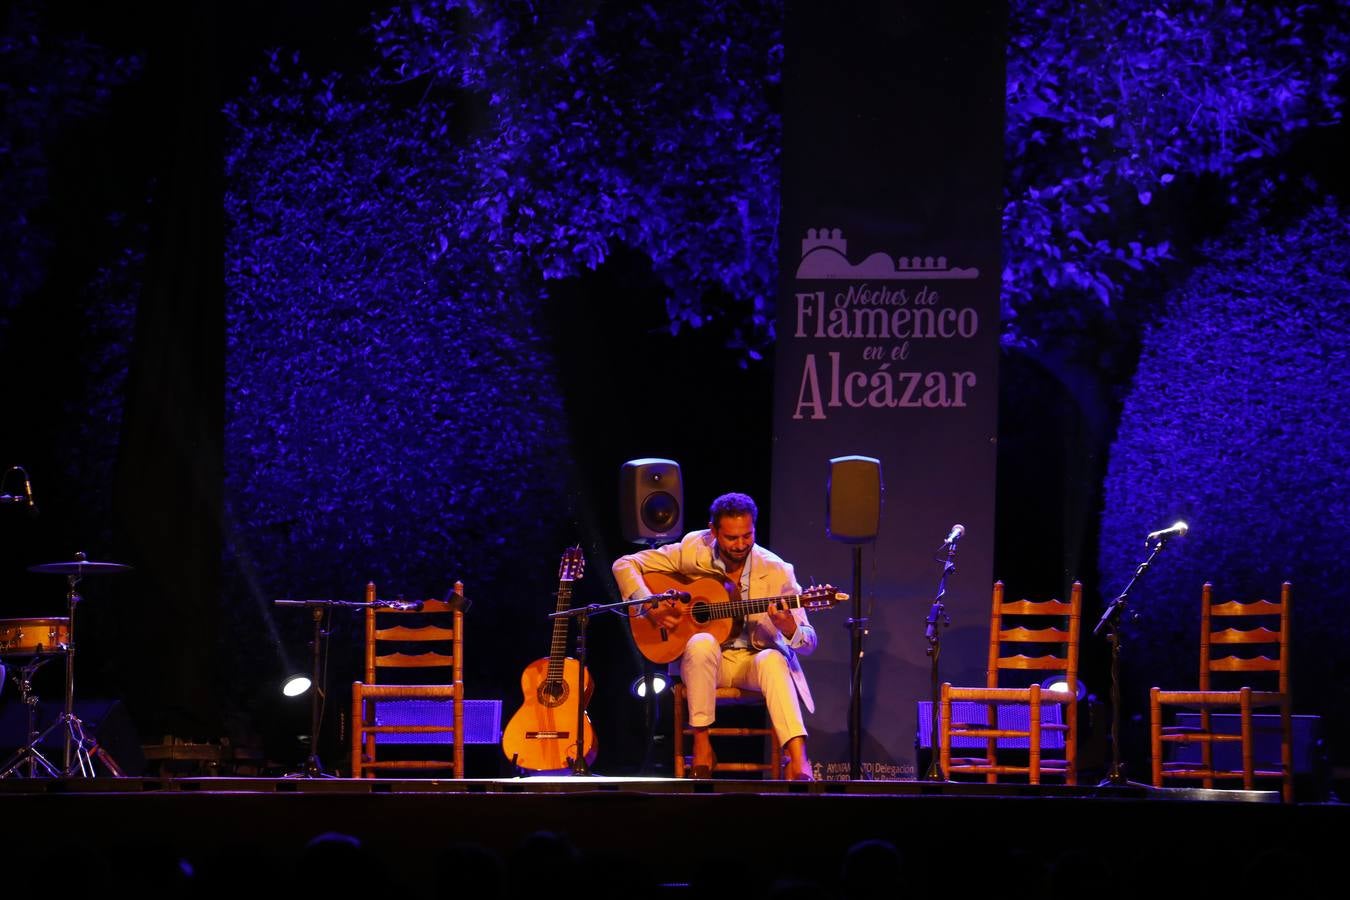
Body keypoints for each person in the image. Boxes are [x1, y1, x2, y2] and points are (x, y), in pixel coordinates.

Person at [612, 492, 816, 780]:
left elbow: (808, 641)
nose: (741, 544)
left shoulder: (777, 570)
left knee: (773, 658)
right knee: (701, 642)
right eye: (732, 538)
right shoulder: (693, 549)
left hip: (752, 663)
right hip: (708, 665)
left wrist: (788, 628)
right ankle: (703, 745)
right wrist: (649, 604)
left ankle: (798, 760)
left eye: (747, 536)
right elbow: (624, 564)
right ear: (713, 531)